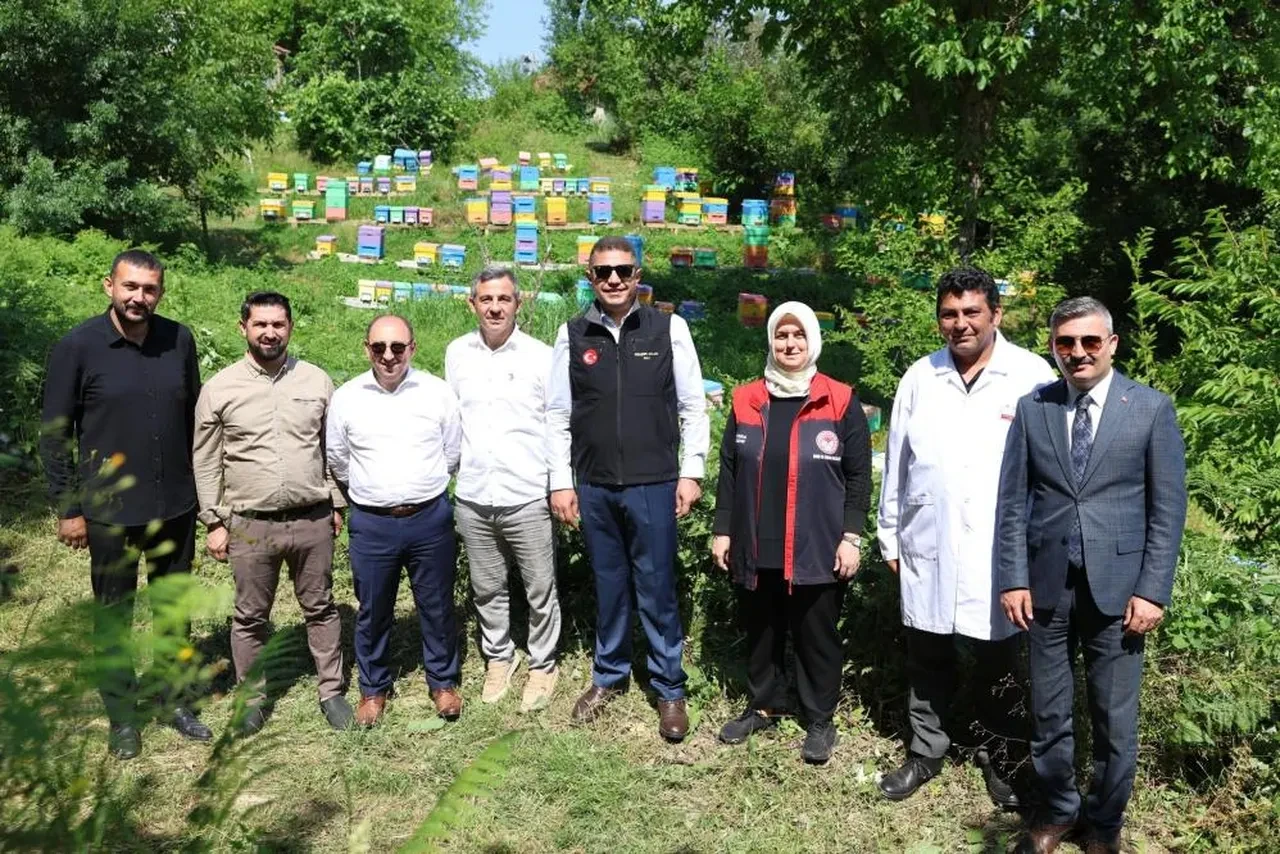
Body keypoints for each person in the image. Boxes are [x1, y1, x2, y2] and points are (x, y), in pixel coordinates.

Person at [997, 297, 1187, 854]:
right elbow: (1013, 502)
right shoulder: (1035, 408)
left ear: (1111, 345)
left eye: (1088, 342)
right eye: (1065, 343)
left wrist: (1152, 589)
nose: (1077, 353)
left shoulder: (1150, 409)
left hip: (1121, 592)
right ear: (1053, 347)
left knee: (1113, 718)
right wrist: (1013, 577)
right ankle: (1058, 810)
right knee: (1049, 710)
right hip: (1045, 587)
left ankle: (1104, 823)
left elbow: (1167, 509)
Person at [877, 267, 1056, 805]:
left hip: (1002, 550)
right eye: (949, 314)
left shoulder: (1030, 375)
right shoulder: (919, 377)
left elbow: (1050, 469)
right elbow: (897, 463)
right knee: (926, 653)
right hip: (927, 540)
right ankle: (926, 750)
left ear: (995, 314)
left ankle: (1000, 758)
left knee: (1000, 658)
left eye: (971, 312)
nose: (960, 324)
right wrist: (890, 536)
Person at [40, 249, 212, 759]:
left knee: (173, 610)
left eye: (150, 289)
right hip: (109, 512)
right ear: (108, 286)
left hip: (175, 504)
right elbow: (55, 433)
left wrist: (203, 494)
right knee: (114, 614)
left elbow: (194, 422)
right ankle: (121, 717)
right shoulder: (78, 346)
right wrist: (68, 508)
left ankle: (176, 699)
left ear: (161, 292)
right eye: (130, 287)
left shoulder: (178, 340)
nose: (139, 298)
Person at [547, 235, 710, 741]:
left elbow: (692, 407)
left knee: (658, 587)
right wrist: (561, 481)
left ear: (639, 275)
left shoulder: (669, 329)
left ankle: (668, 687)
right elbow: (556, 414)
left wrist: (691, 471)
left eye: (623, 270)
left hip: (654, 483)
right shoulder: (572, 334)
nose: (613, 279)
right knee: (609, 584)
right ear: (590, 278)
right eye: (602, 272)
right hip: (594, 485)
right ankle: (610, 675)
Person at [711, 302, 872, 764]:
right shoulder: (746, 398)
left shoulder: (839, 399)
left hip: (816, 542)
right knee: (761, 629)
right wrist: (723, 530)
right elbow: (727, 470)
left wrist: (851, 536)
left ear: (812, 341)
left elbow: (859, 476)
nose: (789, 345)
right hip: (755, 539)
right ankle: (764, 703)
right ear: (770, 342)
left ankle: (819, 720)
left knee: (815, 634)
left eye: (798, 337)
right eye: (781, 337)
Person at [192, 292, 353, 735]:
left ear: (290, 327)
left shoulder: (317, 381)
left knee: (320, 607)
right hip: (250, 523)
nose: (270, 332)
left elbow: (331, 449)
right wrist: (214, 521)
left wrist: (337, 503)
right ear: (242, 326)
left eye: (278, 324)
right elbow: (205, 460)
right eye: (260, 324)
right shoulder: (220, 388)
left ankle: (332, 691)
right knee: (250, 616)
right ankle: (252, 698)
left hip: (311, 517)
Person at [326, 315, 463, 726]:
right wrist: (374, 495)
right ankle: (373, 690)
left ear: (413, 348)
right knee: (373, 609)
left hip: (429, 518)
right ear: (366, 348)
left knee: (437, 605)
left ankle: (443, 683)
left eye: (398, 348)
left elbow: (451, 452)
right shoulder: (348, 397)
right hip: (372, 522)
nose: (389, 356)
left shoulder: (437, 393)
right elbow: (338, 458)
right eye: (379, 348)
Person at [445, 268, 561, 713]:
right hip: (474, 493)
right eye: (486, 299)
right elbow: (453, 422)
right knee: (487, 586)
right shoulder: (457, 353)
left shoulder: (541, 356)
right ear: (472, 303)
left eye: (504, 299)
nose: (495, 307)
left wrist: (559, 485)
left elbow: (557, 425)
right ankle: (499, 657)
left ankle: (543, 664)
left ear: (519, 304)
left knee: (539, 587)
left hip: (527, 492)